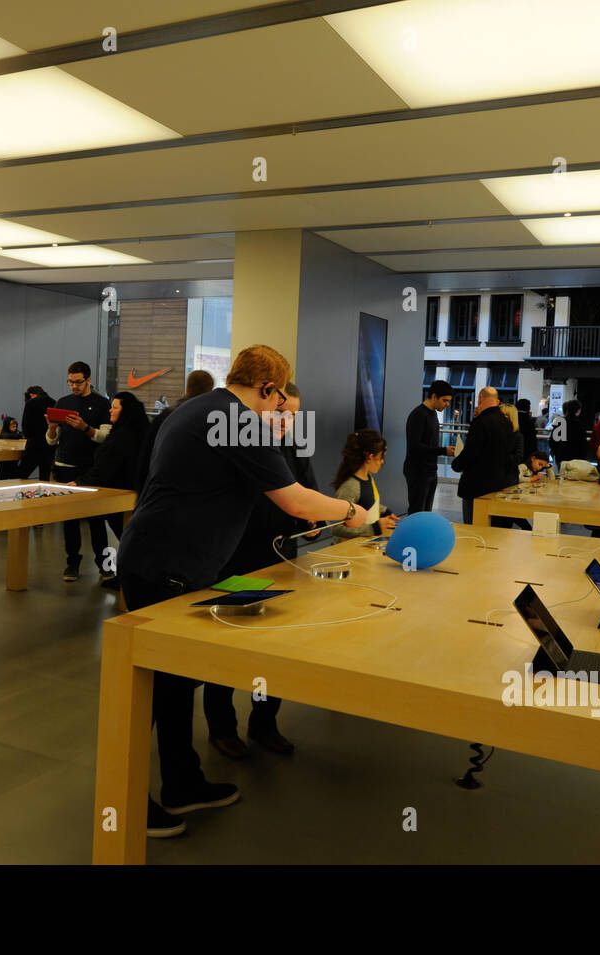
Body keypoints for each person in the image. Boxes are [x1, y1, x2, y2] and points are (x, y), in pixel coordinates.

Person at [117, 344, 369, 838]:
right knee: (152, 689)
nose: (280, 416)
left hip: (163, 557)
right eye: (278, 405)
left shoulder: (199, 405)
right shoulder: (238, 419)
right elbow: (295, 501)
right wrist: (350, 513)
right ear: (269, 388)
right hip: (165, 562)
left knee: (174, 683)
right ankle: (126, 803)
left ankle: (182, 783)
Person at [203, 383, 318, 759]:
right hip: (237, 560)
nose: (288, 422)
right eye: (282, 413)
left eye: (294, 416)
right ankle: (221, 728)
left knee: (275, 647)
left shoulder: (296, 443)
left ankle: (264, 722)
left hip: (282, 560)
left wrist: (314, 518)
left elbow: (308, 494)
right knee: (226, 648)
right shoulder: (239, 442)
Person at [69, 391, 149, 589]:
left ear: (125, 411)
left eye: (115, 407)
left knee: (128, 538)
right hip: (133, 493)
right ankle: (127, 577)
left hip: (119, 494)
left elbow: (107, 466)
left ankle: (130, 581)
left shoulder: (124, 436)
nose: (110, 410)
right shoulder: (136, 431)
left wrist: (81, 482)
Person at [47, 362, 112, 582]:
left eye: (78, 382)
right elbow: (51, 440)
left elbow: (105, 437)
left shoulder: (102, 404)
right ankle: (71, 564)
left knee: (96, 520)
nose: (74, 386)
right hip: (64, 466)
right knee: (70, 521)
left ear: (88, 380)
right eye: (71, 381)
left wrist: (84, 427)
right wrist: (52, 427)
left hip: (90, 469)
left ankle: (104, 566)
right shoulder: (63, 403)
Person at [135, 370, 215, 492]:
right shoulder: (212, 421)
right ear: (210, 390)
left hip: (162, 488)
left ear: (187, 389)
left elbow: (147, 455)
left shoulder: (167, 416)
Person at [452, 386, 517, 526]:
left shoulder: (481, 422)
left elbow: (471, 452)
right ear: (497, 401)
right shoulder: (507, 423)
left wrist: (456, 465)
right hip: (499, 484)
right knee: (494, 531)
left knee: (474, 528)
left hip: (476, 486)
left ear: (480, 398)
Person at [332, 429, 399, 540]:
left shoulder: (368, 477)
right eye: (381, 457)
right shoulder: (350, 487)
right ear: (369, 457)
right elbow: (336, 528)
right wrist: (374, 528)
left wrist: (385, 511)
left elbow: (367, 504)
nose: (382, 461)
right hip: (349, 551)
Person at [403, 380, 456, 514]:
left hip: (430, 470)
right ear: (433, 397)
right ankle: (413, 535)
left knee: (426, 513)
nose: (447, 404)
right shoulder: (418, 415)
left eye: (448, 401)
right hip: (418, 471)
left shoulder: (432, 414)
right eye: (444, 400)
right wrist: (443, 450)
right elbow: (415, 447)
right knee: (417, 512)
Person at [17, 385, 55, 481]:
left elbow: (26, 427)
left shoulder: (31, 403)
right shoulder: (54, 402)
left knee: (21, 476)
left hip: (34, 445)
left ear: (31, 395)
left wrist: (27, 435)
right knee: (44, 478)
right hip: (49, 446)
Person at [548, 398, 591, 467]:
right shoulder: (579, 424)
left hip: (561, 456)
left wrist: (556, 453)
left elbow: (552, 441)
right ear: (578, 410)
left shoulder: (560, 422)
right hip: (576, 458)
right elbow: (583, 444)